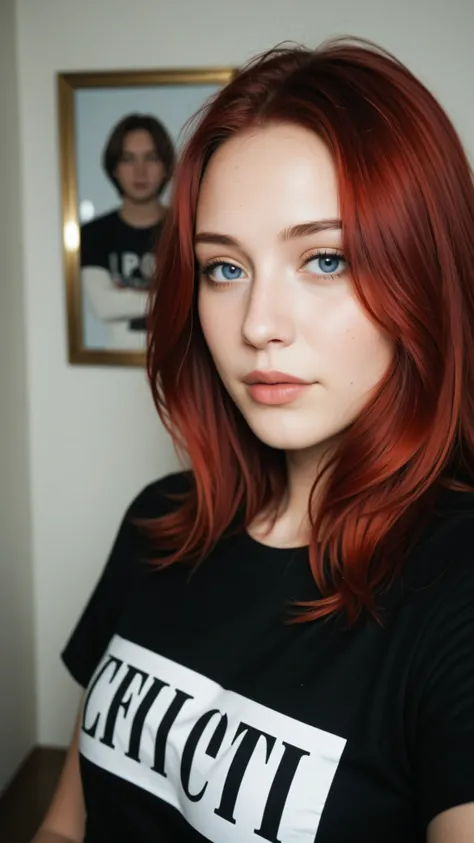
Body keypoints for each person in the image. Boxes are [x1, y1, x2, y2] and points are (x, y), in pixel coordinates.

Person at [33, 37, 474, 843]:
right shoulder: (160, 522)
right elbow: (66, 826)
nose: (258, 326)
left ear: (424, 268)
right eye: (224, 269)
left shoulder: (454, 591)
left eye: (326, 258)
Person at [80, 113, 175, 351]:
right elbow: (104, 304)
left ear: (166, 166)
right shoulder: (94, 234)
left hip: (178, 362)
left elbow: (196, 300)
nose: (140, 172)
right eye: (128, 159)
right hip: (114, 363)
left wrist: (127, 298)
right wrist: (167, 299)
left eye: (151, 158)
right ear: (114, 168)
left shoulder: (186, 229)